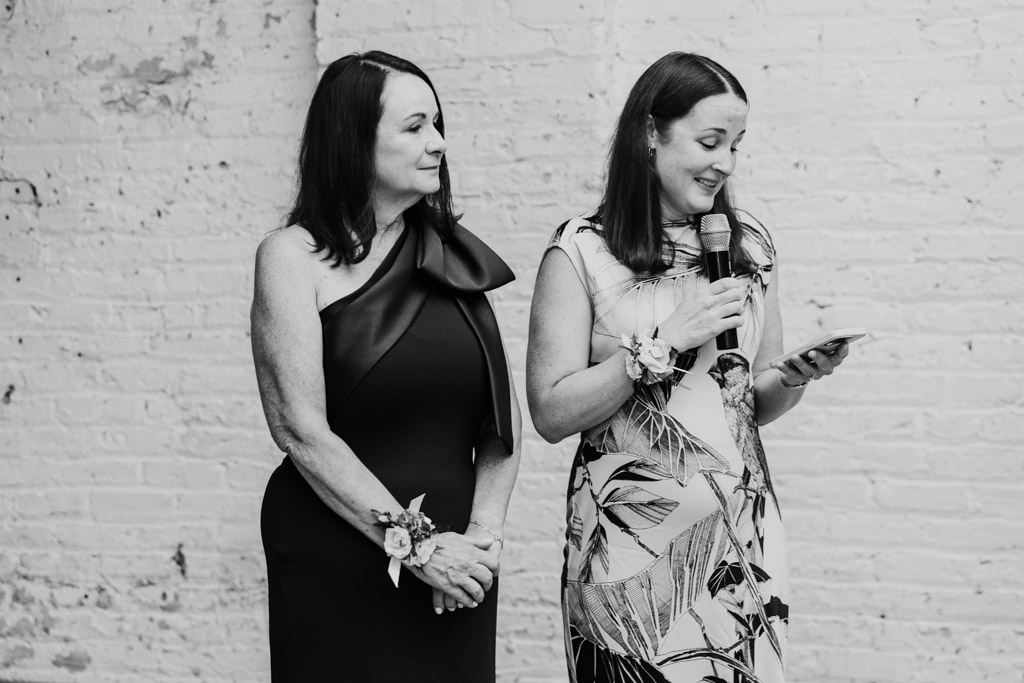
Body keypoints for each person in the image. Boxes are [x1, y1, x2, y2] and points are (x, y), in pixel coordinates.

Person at [527, 52, 849, 682]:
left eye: (735, 144)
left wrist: (793, 375)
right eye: (709, 141)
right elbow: (550, 411)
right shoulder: (582, 251)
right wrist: (661, 343)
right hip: (626, 562)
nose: (725, 162)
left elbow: (746, 403)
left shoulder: (750, 244)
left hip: (738, 548)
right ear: (651, 133)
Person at [251, 51, 521, 682]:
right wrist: (418, 546)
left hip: (457, 572)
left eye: (438, 124)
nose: (439, 142)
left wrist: (480, 546)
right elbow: (299, 428)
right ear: (353, 142)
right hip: (338, 553)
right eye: (415, 127)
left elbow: (500, 427)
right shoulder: (290, 259)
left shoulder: (449, 256)